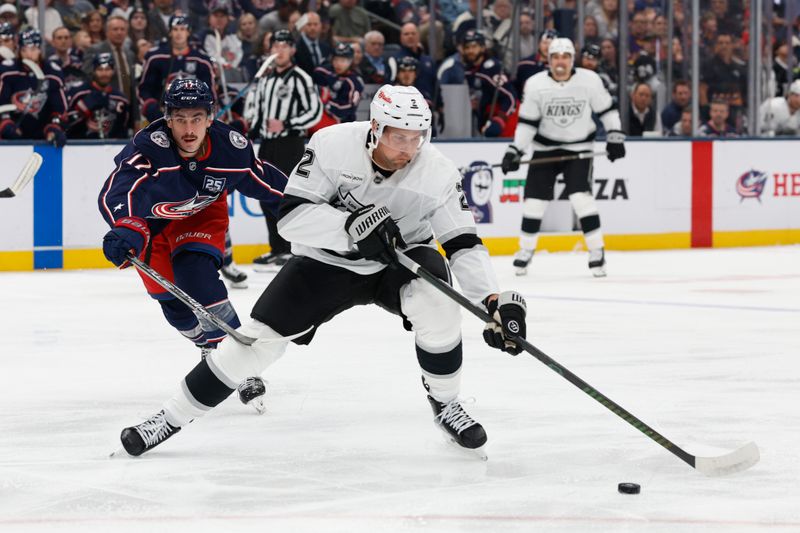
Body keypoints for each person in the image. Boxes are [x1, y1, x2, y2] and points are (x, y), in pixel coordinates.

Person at [116, 84, 529, 459]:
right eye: (398, 137)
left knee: (438, 304)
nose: (408, 148)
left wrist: (491, 300)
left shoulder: (437, 171)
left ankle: (446, 403)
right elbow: (291, 218)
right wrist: (349, 228)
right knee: (255, 345)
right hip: (326, 260)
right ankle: (170, 417)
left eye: (416, 137)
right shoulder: (332, 144)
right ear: (376, 128)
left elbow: (462, 242)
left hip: (400, 260)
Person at [98, 79, 288, 413]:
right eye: (181, 119)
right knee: (175, 309)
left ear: (210, 118)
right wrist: (126, 225)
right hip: (151, 225)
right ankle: (211, 347)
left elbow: (268, 185)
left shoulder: (230, 149)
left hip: (200, 216)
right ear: (167, 119)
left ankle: (239, 363)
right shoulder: (149, 149)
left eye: (197, 118)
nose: (189, 128)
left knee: (195, 276)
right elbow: (119, 188)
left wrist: (305, 209)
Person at [500, 37, 625, 277]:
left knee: (581, 197)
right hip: (545, 148)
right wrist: (515, 150)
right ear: (549, 60)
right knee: (534, 202)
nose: (561, 62)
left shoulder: (589, 80)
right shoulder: (535, 84)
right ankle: (525, 251)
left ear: (572, 59)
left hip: (579, 148)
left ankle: (597, 251)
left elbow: (607, 110)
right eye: (556, 57)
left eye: (565, 57)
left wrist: (615, 136)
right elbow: (527, 124)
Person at [243, 29, 322, 270]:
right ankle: (277, 249)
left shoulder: (301, 78)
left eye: (285, 45)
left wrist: (286, 123)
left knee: (288, 196)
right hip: (267, 145)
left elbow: (314, 112)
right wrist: (251, 123)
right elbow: (255, 111)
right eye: (276, 45)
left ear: (292, 50)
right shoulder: (265, 79)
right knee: (265, 194)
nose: (279, 50)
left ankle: (292, 249)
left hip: (290, 144)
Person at [138, 15, 216, 124]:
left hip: (192, 119)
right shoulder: (155, 57)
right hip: (160, 116)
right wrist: (152, 110)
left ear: (188, 32)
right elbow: (144, 90)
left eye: (182, 29)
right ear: (170, 32)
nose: (179, 33)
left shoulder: (202, 61)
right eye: (175, 29)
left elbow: (210, 94)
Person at [0, 29, 68, 147]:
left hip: (42, 136)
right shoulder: (7, 71)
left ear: (39, 50)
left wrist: (54, 126)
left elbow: (60, 108)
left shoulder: (52, 72)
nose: (28, 54)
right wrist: (6, 123)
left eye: (33, 49)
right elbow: (2, 103)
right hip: (12, 137)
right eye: (24, 50)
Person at [66, 52, 130, 139]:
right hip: (79, 146)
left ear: (113, 71)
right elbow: (66, 122)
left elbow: (124, 129)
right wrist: (82, 109)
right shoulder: (79, 93)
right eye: (100, 69)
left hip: (111, 148)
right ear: (94, 71)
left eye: (107, 69)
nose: (104, 74)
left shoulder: (121, 99)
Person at [313, 42, 365, 124]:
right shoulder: (323, 72)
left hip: (343, 125)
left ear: (351, 61)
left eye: (343, 60)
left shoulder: (355, 82)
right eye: (336, 59)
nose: (338, 64)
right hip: (320, 120)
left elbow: (346, 110)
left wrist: (325, 101)